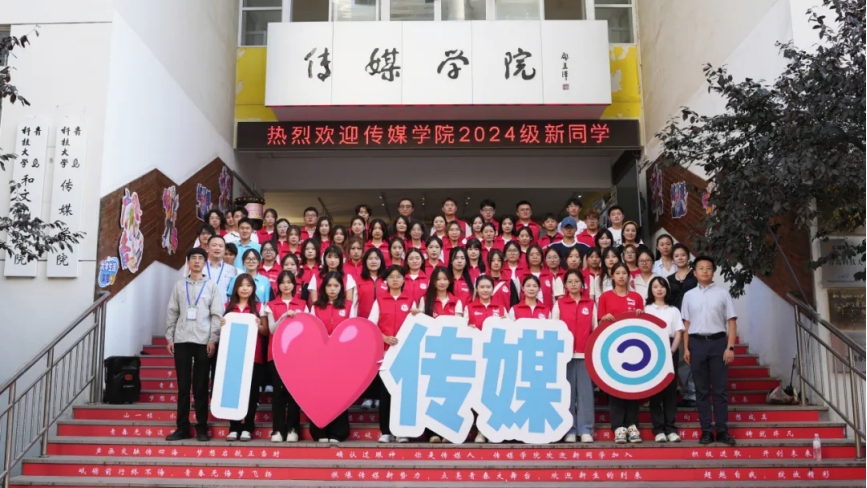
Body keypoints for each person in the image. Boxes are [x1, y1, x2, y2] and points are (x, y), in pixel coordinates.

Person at [164, 248, 222, 442]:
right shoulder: (179, 285)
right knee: (183, 387)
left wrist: (213, 338)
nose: (197, 261)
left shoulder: (212, 286)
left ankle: (202, 428)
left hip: (203, 341)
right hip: (181, 340)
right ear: (188, 262)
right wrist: (170, 337)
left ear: (204, 263)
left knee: (200, 386)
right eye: (193, 258)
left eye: (200, 258)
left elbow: (216, 315)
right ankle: (182, 427)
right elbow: (172, 311)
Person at [682, 256, 738, 446]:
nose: (705, 271)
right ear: (695, 272)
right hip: (696, 344)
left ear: (713, 271)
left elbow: (732, 321)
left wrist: (730, 347)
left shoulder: (723, 294)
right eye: (701, 268)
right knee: (701, 390)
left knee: (720, 390)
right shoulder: (689, 295)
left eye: (708, 268)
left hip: (718, 343)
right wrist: (686, 348)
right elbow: (686, 323)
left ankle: (722, 430)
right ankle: (706, 430)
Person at [597, 263, 645, 444]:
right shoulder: (605, 297)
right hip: (612, 350)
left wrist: (640, 314)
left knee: (632, 387)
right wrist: (603, 319)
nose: (621, 276)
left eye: (624, 273)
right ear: (612, 275)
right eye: (617, 273)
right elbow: (599, 322)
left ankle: (632, 426)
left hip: (634, 350)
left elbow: (643, 325)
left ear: (629, 276)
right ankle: (618, 427)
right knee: (615, 387)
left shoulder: (637, 297)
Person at [368, 265, 414, 444]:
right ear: (386, 280)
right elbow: (371, 326)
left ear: (404, 280)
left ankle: (402, 431)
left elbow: (418, 325)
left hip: (406, 353)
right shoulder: (379, 300)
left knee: (403, 393)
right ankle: (386, 431)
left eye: (398, 276)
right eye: (391, 277)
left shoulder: (411, 301)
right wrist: (384, 338)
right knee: (386, 392)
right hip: (386, 353)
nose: (395, 279)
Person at [309, 272, 356, 443]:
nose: (332, 289)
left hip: (341, 358)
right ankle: (320, 432)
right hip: (320, 357)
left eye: (336, 286)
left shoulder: (349, 306)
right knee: (319, 394)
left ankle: (338, 432)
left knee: (339, 394)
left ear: (341, 288)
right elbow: (311, 330)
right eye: (329, 286)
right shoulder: (316, 307)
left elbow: (353, 331)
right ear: (323, 288)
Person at [221, 273, 268, 441]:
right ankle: (234, 427)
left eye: (248, 285)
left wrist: (259, 325)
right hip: (233, 357)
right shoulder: (227, 306)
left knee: (252, 393)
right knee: (233, 391)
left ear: (253, 288)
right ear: (236, 288)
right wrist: (221, 325)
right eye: (241, 285)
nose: (245, 288)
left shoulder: (259, 306)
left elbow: (265, 331)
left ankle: (248, 426)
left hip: (253, 357)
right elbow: (221, 331)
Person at [552, 270, 596, 443]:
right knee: (567, 394)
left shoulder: (590, 304)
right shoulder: (560, 303)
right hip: (565, 356)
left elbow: (595, 329)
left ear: (582, 284)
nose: (573, 284)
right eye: (569, 281)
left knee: (585, 394)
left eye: (576, 281)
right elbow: (554, 329)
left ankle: (586, 429)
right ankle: (569, 429)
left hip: (585, 355)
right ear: (565, 285)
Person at [464, 275, 508, 444]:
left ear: (492, 289)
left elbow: (509, 331)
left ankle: (491, 429)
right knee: (478, 395)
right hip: (476, 358)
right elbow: (463, 331)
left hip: (496, 357)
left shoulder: (501, 309)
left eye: (488, 287)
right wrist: (469, 329)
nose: (485, 290)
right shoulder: (469, 307)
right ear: (476, 289)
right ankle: (480, 431)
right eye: (481, 287)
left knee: (493, 394)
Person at [264, 271, 306, 443]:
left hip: (296, 356)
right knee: (278, 393)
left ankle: (292, 429)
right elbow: (272, 330)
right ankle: (277, 430)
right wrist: (283, 316)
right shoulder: (271, 305)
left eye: (289, 282)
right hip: (276, 354)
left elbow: (306, 329)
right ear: (278, 285)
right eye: (283, 282)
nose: (286, 285)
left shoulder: (302, 304)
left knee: (294, 393)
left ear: (294, 285)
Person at [644, 277, 684, 443]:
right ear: (651, 290)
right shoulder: (646, 309)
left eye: (662, 286)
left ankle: (671, 428)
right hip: (651, 351)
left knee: (670, 390)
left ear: (667, 289)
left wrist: (672, 351)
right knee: (655, 390)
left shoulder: (673, 310)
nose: (659, 289)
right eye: (655, 287)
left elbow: (678, 332)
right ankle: (658, 429)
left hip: (670, 348)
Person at [667, 243, 697, 408]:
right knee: (681, 359)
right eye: (676, 256)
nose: (680, 258)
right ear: (673, 259)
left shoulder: (695, 276)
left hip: (694, 322)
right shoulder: (669, 280)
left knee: (694, 357)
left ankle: (695, 394)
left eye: (683, 255)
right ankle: (688, 393)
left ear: (688, 257)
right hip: (676, 323)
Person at [205, 235, 237, 301]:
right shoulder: (200, 268)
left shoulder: (232, 270)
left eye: (221, 246)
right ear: (207, 248)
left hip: (224, 306)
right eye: (214, 245)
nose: (217, 248)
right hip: (203, 306)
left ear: (224, 249)